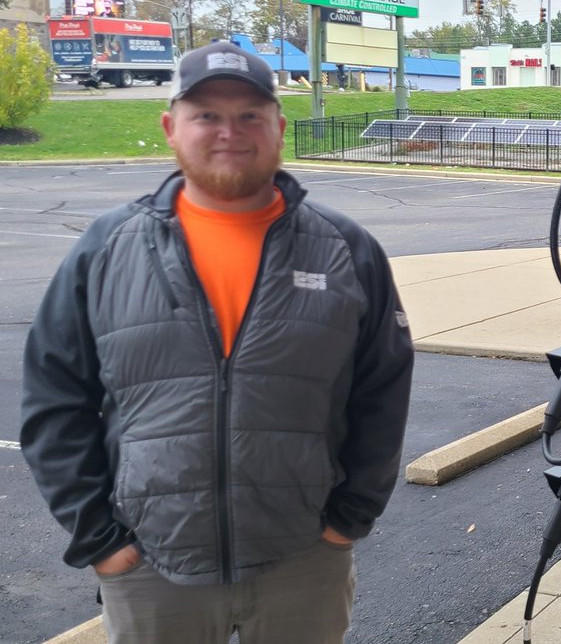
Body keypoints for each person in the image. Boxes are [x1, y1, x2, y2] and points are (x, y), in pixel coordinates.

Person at [21, 41, 414, 644]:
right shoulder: (106, 251)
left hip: (302, 563)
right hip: (152, 569)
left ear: (279, 127)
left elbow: (381, 393)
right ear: (170, 128)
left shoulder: (345, 250)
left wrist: (348, 521)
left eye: (249, 114)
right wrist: (100, 539)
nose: (229, 130)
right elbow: (53, 402)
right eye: (206, 114)